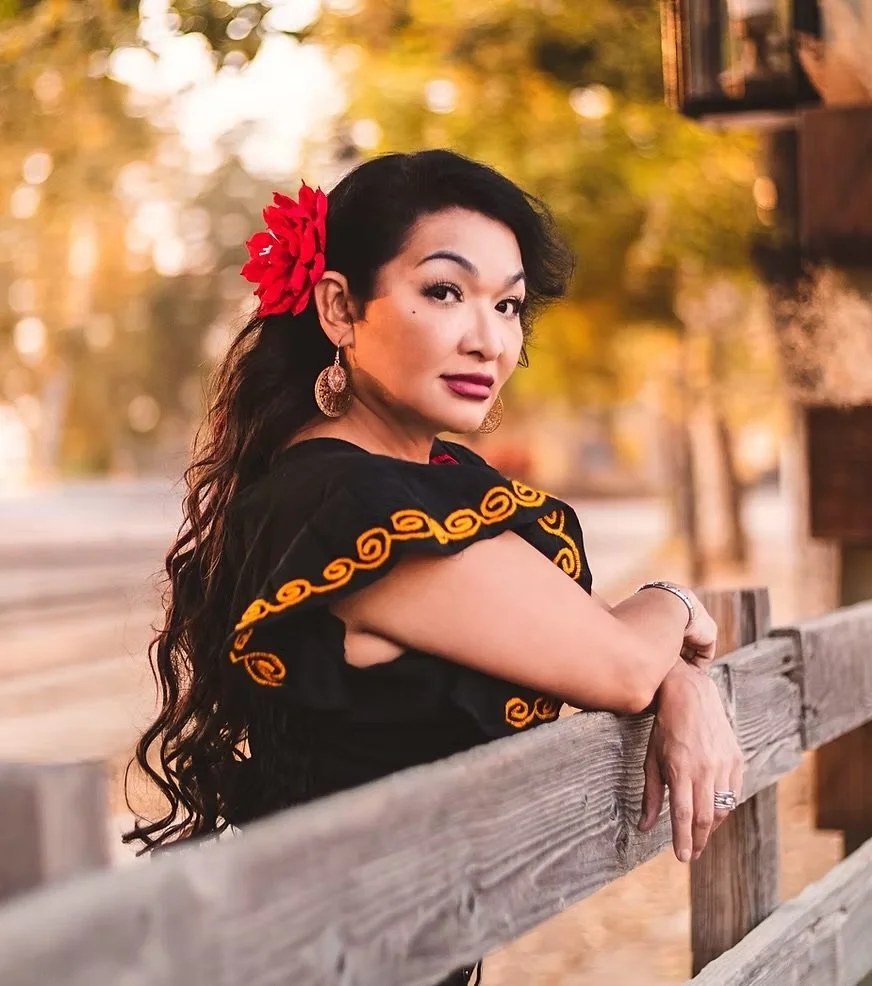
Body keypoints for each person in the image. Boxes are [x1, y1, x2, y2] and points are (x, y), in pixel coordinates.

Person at [125, 149, 743, 986]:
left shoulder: (396, 485)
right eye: (445, 291)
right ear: (339, 307)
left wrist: (683, 680)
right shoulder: (354, 507)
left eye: (508, 304)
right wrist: (677, 604)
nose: (488, 339)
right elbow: (623, 663)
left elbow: (595, 648)